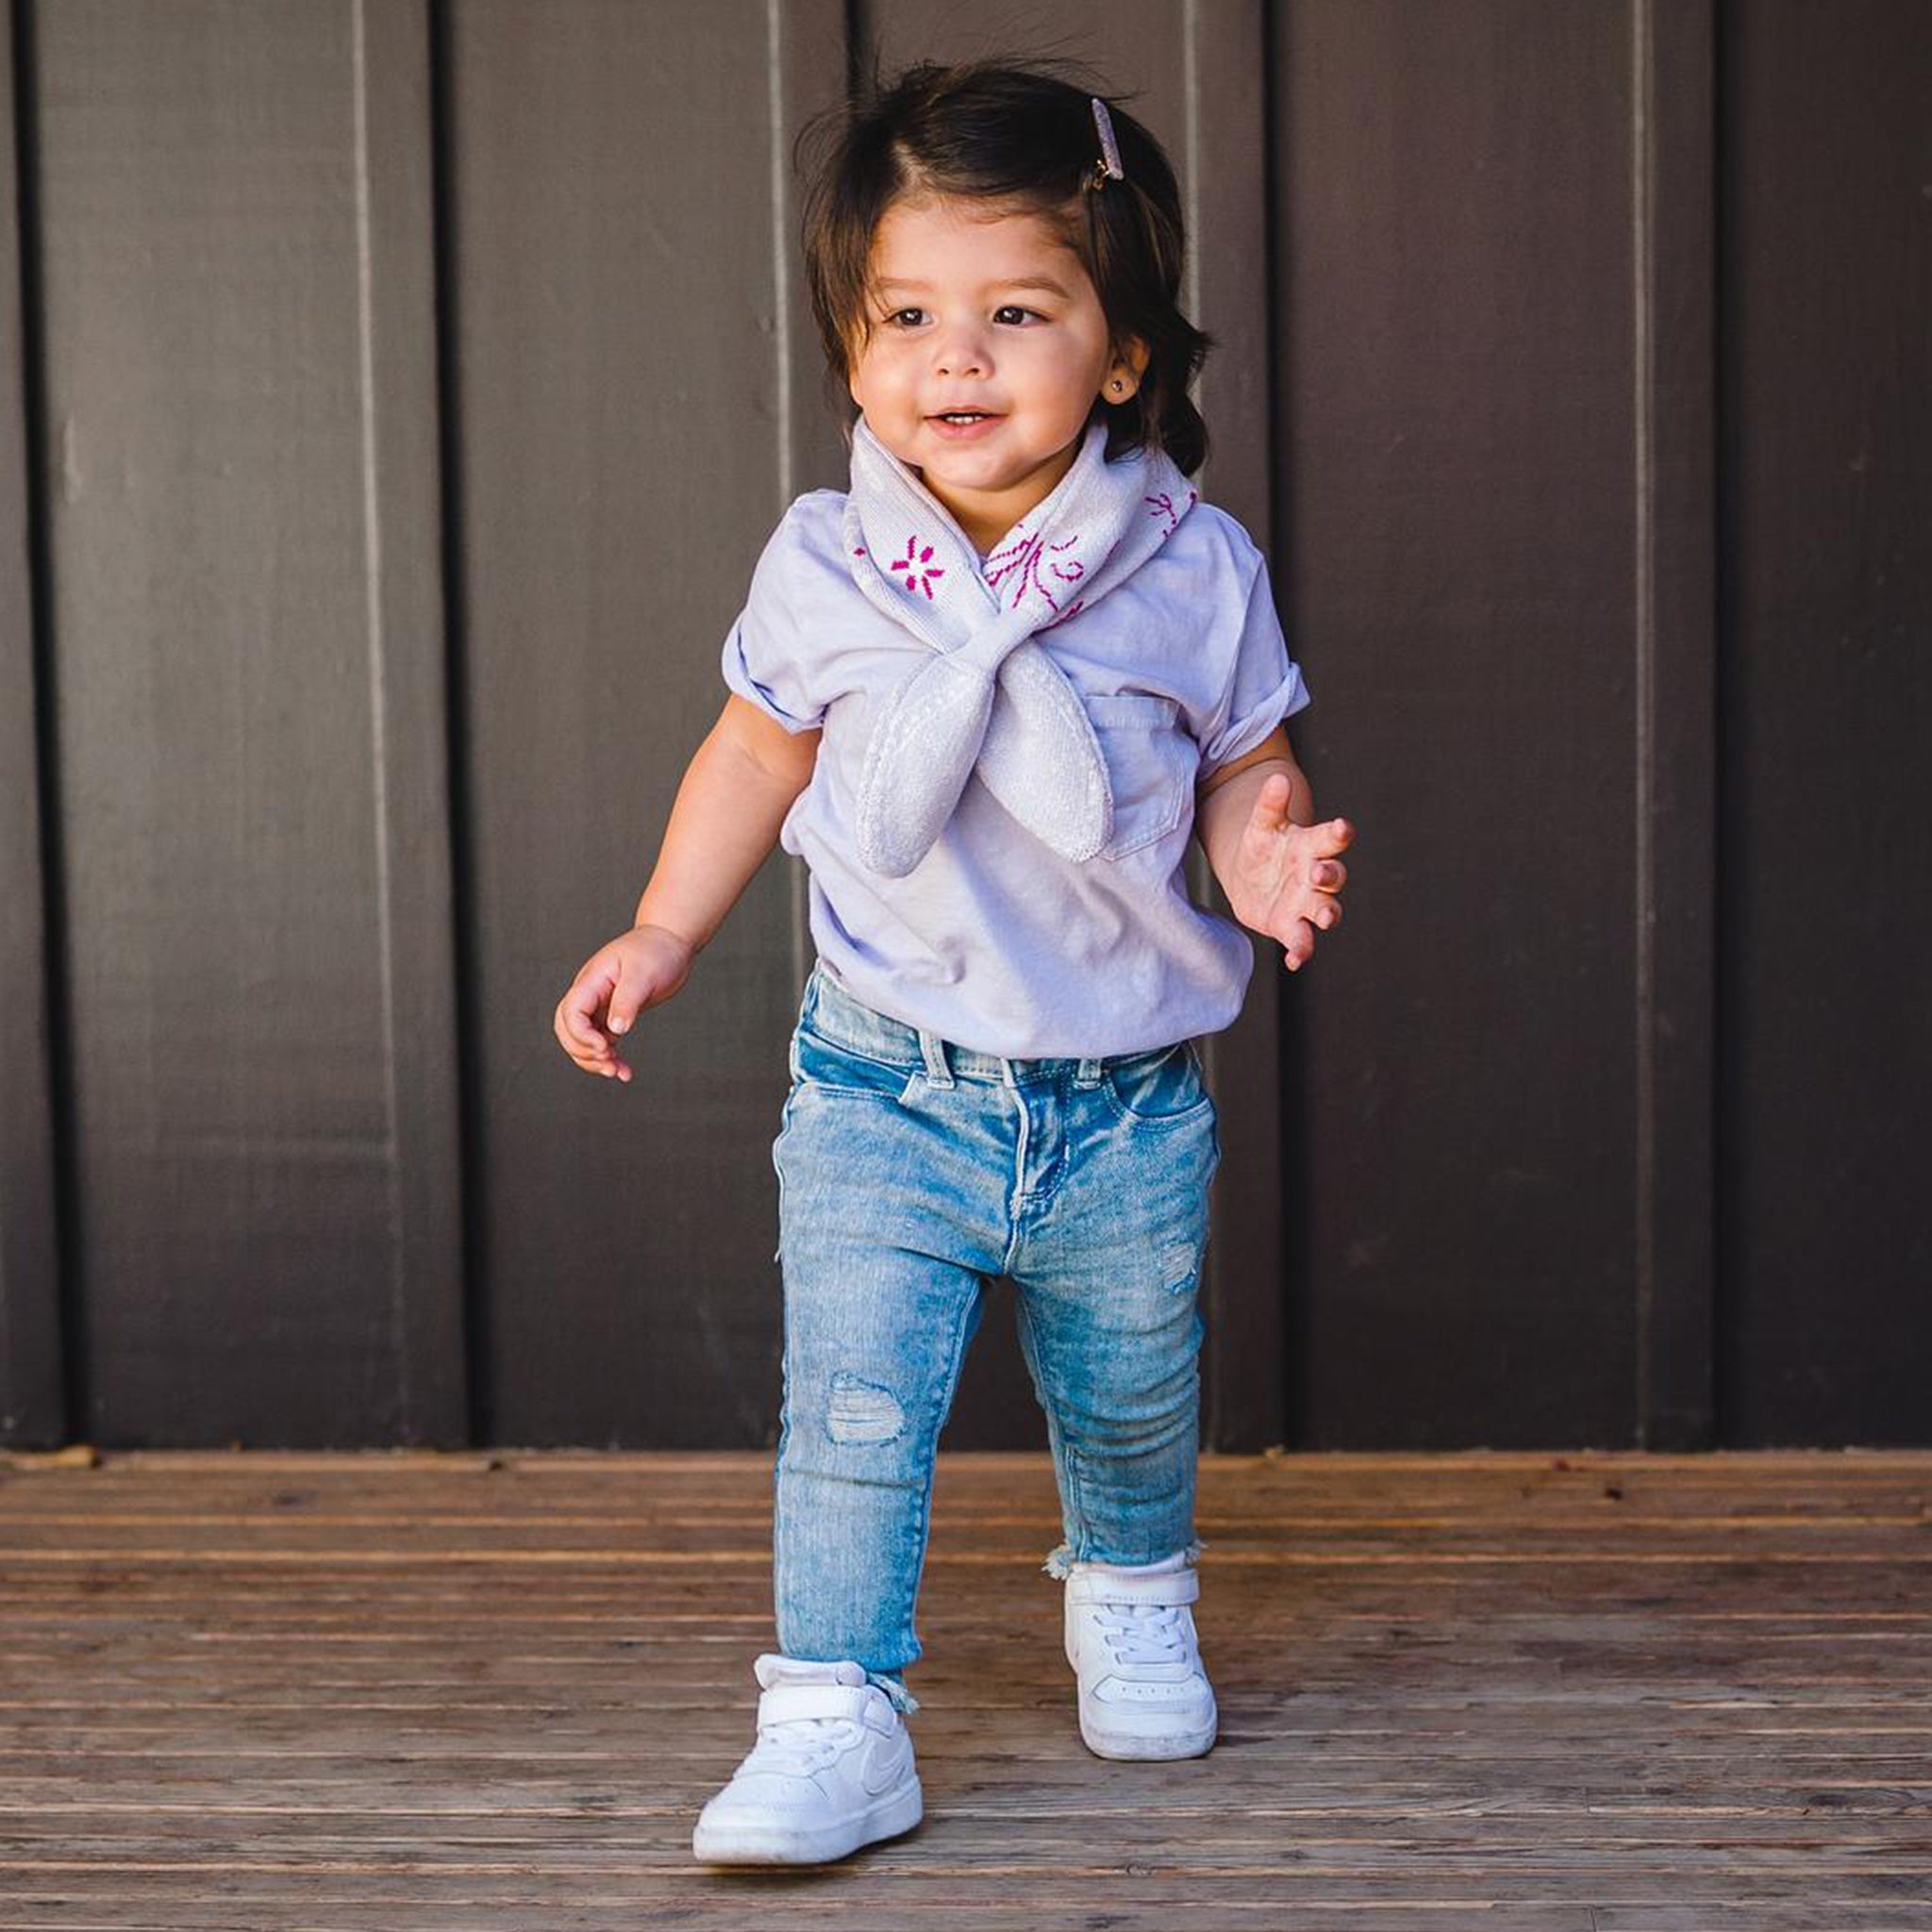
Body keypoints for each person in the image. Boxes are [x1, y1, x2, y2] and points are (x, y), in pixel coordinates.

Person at [553, 58, 1354, 1867]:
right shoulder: (829, 563)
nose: (956, 362)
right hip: (884, 1086)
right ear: (852, 348)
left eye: (1017, 313)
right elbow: (757, 751)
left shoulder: (1191, 568)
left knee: (1135, 1386)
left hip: (1125, 1103)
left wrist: (1268, 852)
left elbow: (1239, 769)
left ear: (1124, 354)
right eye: (906, 316)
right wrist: (665, 927)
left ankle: (1133, 1586)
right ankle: (835, 1714)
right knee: (849, 1413)